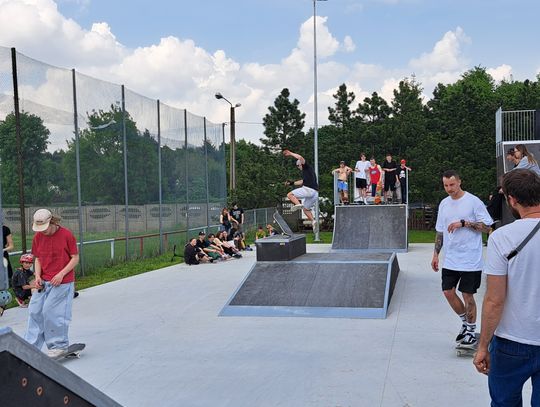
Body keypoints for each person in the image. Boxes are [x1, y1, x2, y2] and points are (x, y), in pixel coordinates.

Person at [473, 169, 540, 405]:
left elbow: (494, 299)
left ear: (511, 199)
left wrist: (483, 345)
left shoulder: (501, 238)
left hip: (513, 340)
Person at [431, 170, 492, 349]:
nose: (449, 189)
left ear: (459, 182)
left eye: (452, 185)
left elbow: (487, 227)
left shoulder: (473, 202)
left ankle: (471, 332)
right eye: (445, 186)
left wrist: (464, 223)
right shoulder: (444, 204)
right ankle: (466, 323)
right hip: (451, 258)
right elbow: (440, 231)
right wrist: (436, 254)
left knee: (468, 295)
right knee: (448, 292)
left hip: (470, 258)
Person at [24, 209, 79, 358]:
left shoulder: (66, 235)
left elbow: (75, 258)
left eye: (45, 228)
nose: (43, 232)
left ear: (52, 222)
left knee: (51, 311)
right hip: (44, 281)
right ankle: (30, 346)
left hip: (62, 282)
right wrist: (37, 276)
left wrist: (61, 274)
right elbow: (38, 258)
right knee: (35, 310)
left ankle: (59, 346)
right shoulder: (38, 237)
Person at [283, 149, 319, 233]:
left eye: (298, 166)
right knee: (306, 209)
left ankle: (298, 204)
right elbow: (302, 182)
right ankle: (313, 221)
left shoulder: (306, 166)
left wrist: (290, 153)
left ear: (300, 164)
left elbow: (300, 157)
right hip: (315, 193)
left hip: (308, 190)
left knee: (289, 195)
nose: (298, 168)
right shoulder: (308, 172)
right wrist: (291, 183)